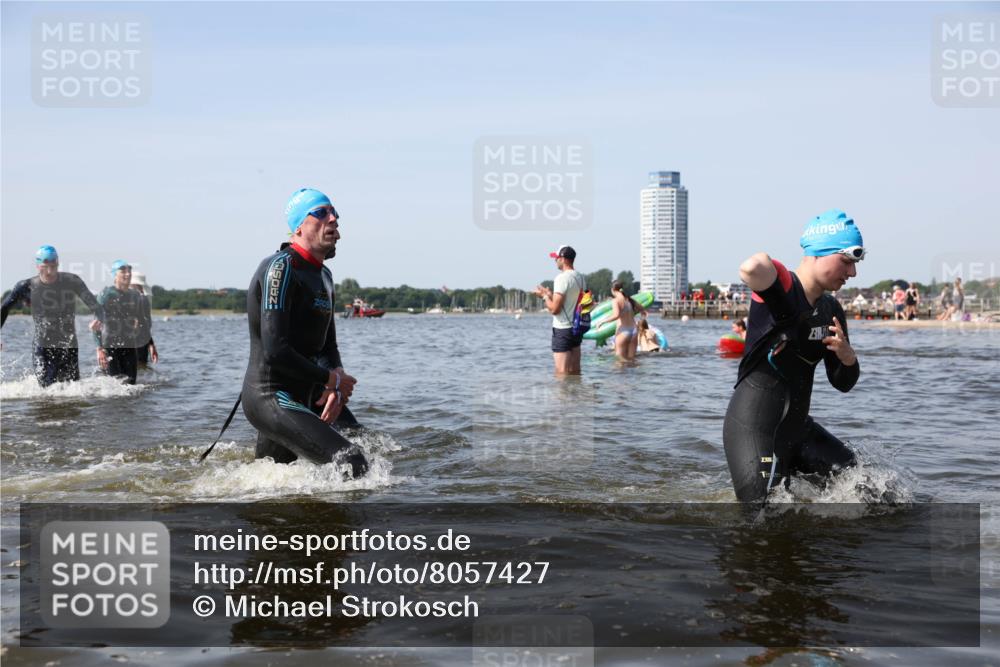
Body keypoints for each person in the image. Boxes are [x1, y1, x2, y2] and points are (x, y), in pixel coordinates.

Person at [723, 209, 864, 504]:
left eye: (855, 265)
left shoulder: (831, 311)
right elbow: (751, 267)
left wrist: (848, 357)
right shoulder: (784, 287)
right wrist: (788, 315)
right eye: (847, 261)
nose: (852, 273)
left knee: (873, 494)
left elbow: (842, 383)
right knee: (762, 520)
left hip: (799, 431)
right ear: (819, 252)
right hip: (755, 429)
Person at [241, 187, 368, 477]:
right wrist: (330, 379)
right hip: (271, 395)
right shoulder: (280, 269)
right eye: (322, 213)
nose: (333, 219)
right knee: (354, 464)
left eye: (335, 213)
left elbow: (327, 345)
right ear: (298, 226)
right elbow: (276, 350)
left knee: (269, 479)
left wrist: (334, 383)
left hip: (310, 393)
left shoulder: (324, 276)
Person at [1, 245, 104, 386]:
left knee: (72, 391)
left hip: (68, 345)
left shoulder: (71, 281)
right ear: (38, 265)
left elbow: (96, 306)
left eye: (53, 262)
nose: (49, 267)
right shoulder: (26, 286)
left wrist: (99, 320)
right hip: (42, 346)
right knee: (47, 391)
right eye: (45, 263)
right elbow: (4, 308)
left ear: (57, 262)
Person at [533, 245, 586, 376]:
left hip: (563, 329)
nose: (555, 260)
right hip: (576, 328)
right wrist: (551, 295)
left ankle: (563, 397)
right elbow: (570, 302)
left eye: (556, 258)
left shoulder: (561, 278)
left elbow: (555, 309)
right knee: (575, 372)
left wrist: (544, 297)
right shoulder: (581, 277)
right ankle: (576, 396)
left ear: (563, 259)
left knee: (561, 374)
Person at [95, 261, 145, 385]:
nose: (128, 274)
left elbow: (141, 321)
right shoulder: (105, 294)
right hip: (109, 346)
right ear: (114, 275)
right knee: (115, 386)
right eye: (123, 271)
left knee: (132, 386)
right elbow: (95, 325)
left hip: (129, 346)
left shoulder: (135, 295)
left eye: (129, 271)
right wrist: (100, 349)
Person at [607, 279, 646, 361]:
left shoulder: (616, 300)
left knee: (619, 360)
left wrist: (602, 321)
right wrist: (641, 319)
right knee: (632, 360)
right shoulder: (629, 299)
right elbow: (643, 310)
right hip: (634, 331)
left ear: (612, 290)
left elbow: (616, 315)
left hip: (623, 330)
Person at [129, 271, 159, 367]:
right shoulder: (143, 299)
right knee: (141, 369)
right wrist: (151, 344)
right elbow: (147, 324)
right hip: (140, 341)